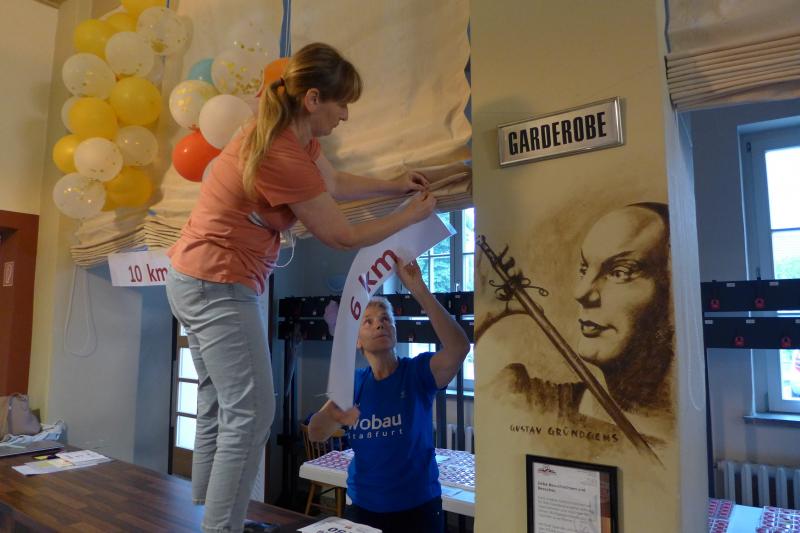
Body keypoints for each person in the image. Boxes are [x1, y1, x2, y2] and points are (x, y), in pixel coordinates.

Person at [165, 42, 436, 533]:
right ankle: (220, 527)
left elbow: (334, 185)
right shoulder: (279, 151)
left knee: (218, 402)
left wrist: (395, 185)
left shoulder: (295, 138)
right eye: (341, 103)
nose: (346, 115)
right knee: (252, 413)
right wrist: (410, 216)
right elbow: (340, 235)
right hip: (215, 281)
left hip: (195, 277)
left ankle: (207, 515)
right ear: (313, 99)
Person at [308, 259, 470, 533]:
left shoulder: (417, 372)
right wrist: (333, 415)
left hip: (418, 509)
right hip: (363, 509)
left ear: (395, 330)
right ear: (357, 340)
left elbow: (458, 348)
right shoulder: (353, 383)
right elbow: (315, 433)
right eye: (368, 321)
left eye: (386, 319)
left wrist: (418, 289)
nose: (379, 325)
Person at [494, 203, 674, 444]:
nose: (581, 292)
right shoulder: (526, 397)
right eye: (584, 269)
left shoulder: (683, 439)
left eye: (620, 272)